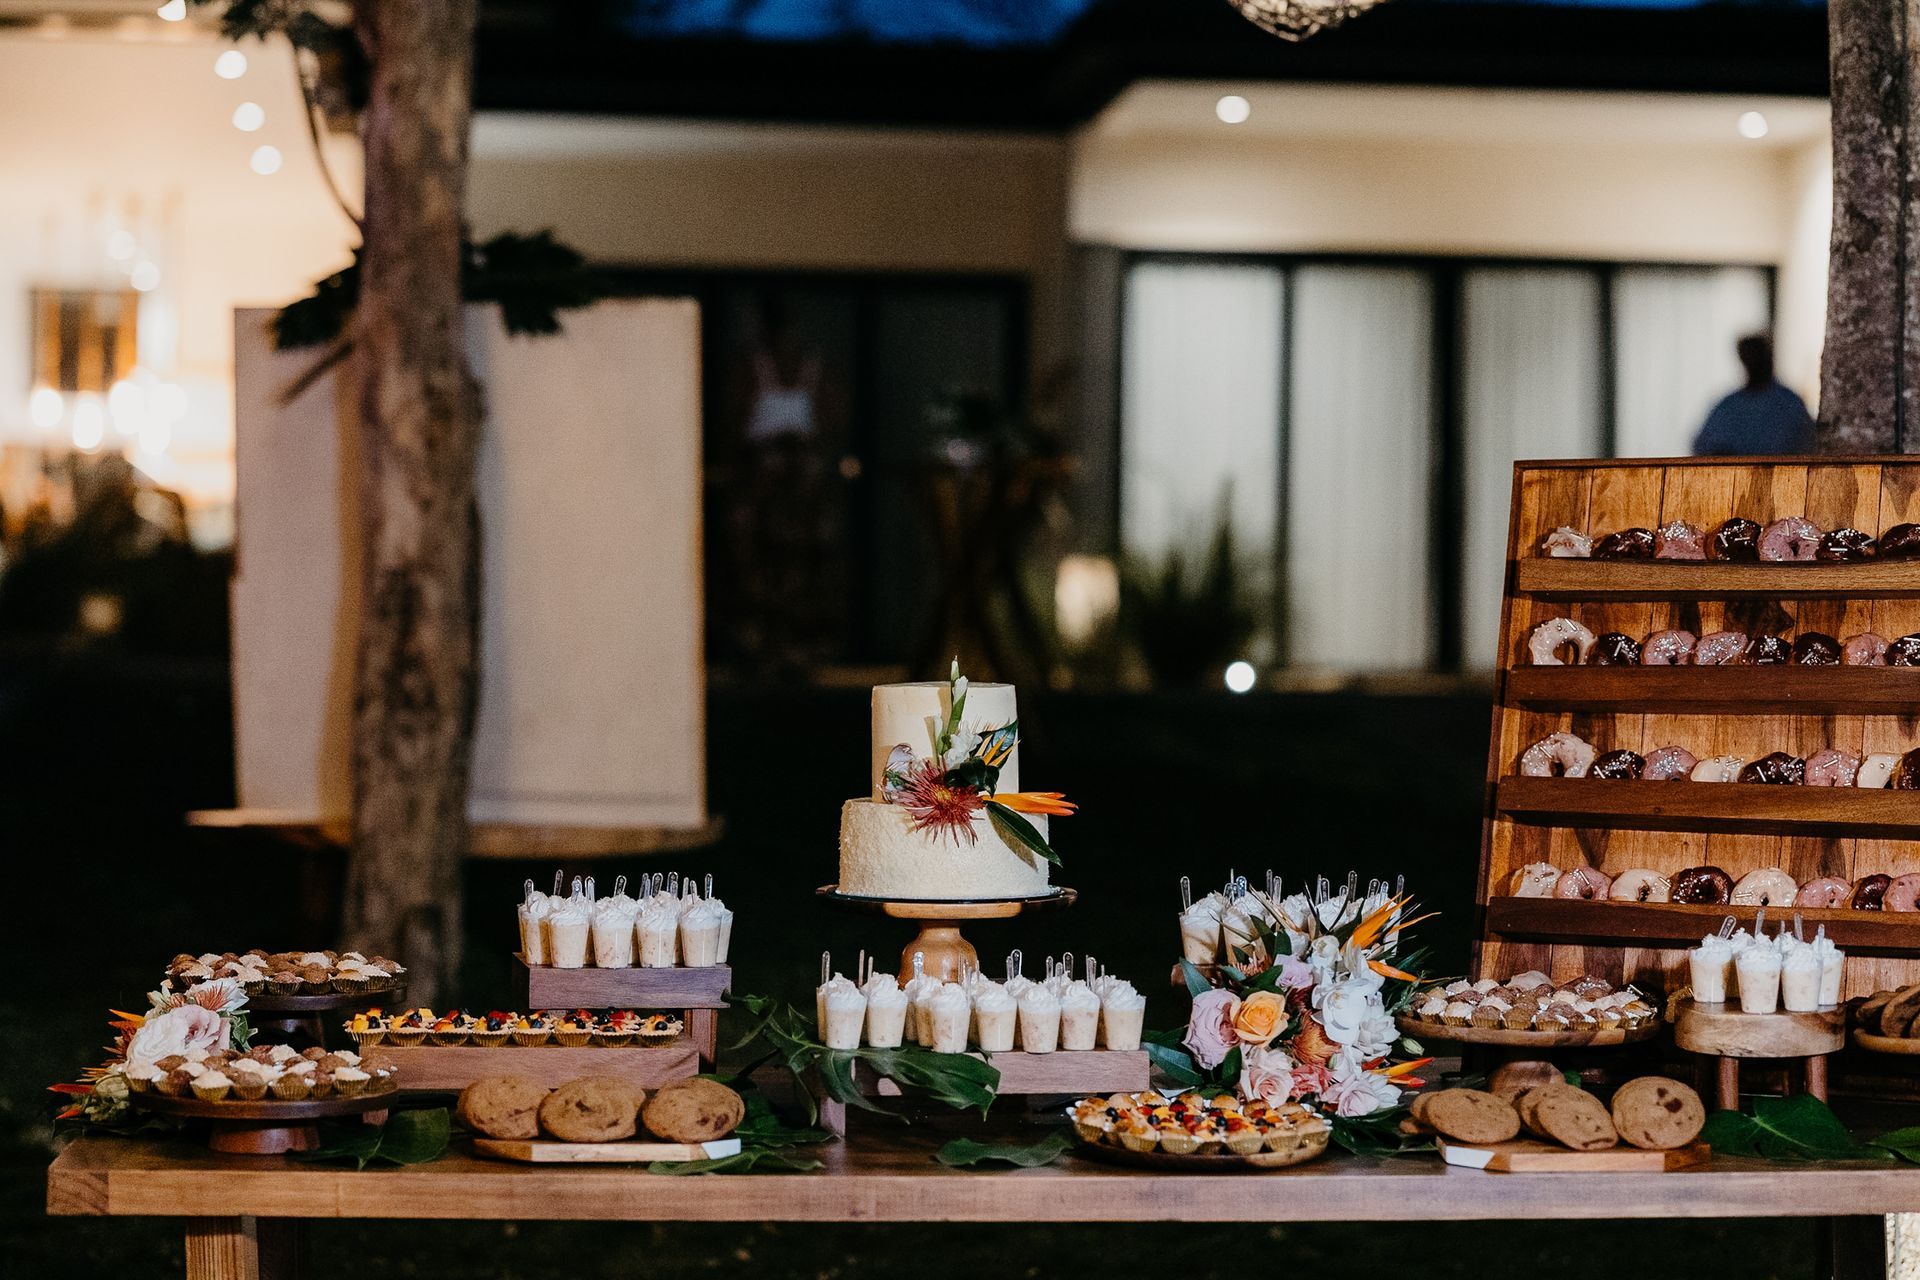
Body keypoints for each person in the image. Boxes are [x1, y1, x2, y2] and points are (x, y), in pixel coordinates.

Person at [1692, 334, 1815, 456]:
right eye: (1748, 357)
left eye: (1756, 356)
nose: (1753, 362)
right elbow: (1702, 446)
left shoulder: (1788, 403)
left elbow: (1809, 444)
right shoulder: (1728, 407)